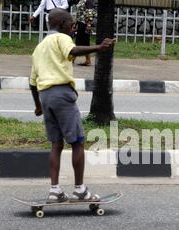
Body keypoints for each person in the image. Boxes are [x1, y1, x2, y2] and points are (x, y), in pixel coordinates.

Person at [29, 8, 115, 203]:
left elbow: (32, 82)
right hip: (62, 94)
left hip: (45, 96)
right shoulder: (62, 38)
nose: (73, 27)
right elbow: (73, 51)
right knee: (77, 141)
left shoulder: (39, 47)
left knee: (56, 144)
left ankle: (55, 190)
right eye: (71, 24)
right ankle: (80, 190)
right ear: (61, 25)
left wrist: (38, 106)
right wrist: (99, 47)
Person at [75, 0, 97, 66]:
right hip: (81, 22)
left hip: (85, 23)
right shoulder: (81, 0)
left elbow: (90, 12)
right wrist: (76, 23)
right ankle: (87, 60)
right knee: (80, 41)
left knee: (84, 41)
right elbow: (79, 13)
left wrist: (89, 24)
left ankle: (73, 58)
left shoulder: (89, 0)